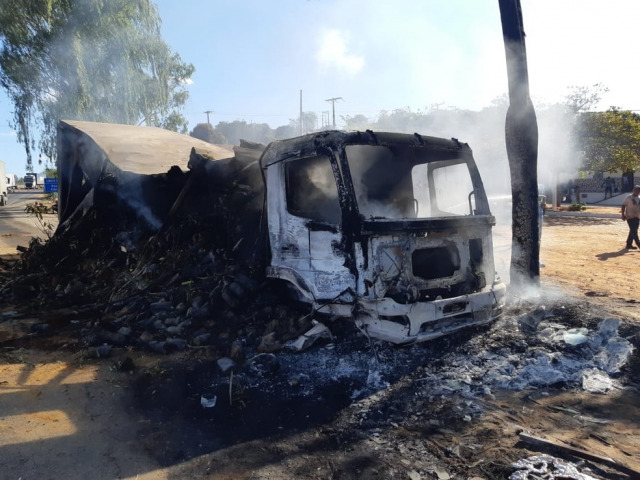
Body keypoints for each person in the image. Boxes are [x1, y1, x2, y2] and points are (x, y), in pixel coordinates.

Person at [621, 185, 640, 249]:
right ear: (633, 190)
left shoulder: (639, 198)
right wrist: (623, 215)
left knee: (633, 230)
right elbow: (623, 205)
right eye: (636, 190)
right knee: (634, 231)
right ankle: (639, 244)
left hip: (637, 217)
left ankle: (628, 244)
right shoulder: (628, 197)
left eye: (638, 190)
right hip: (630, 217)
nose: (637, 191)